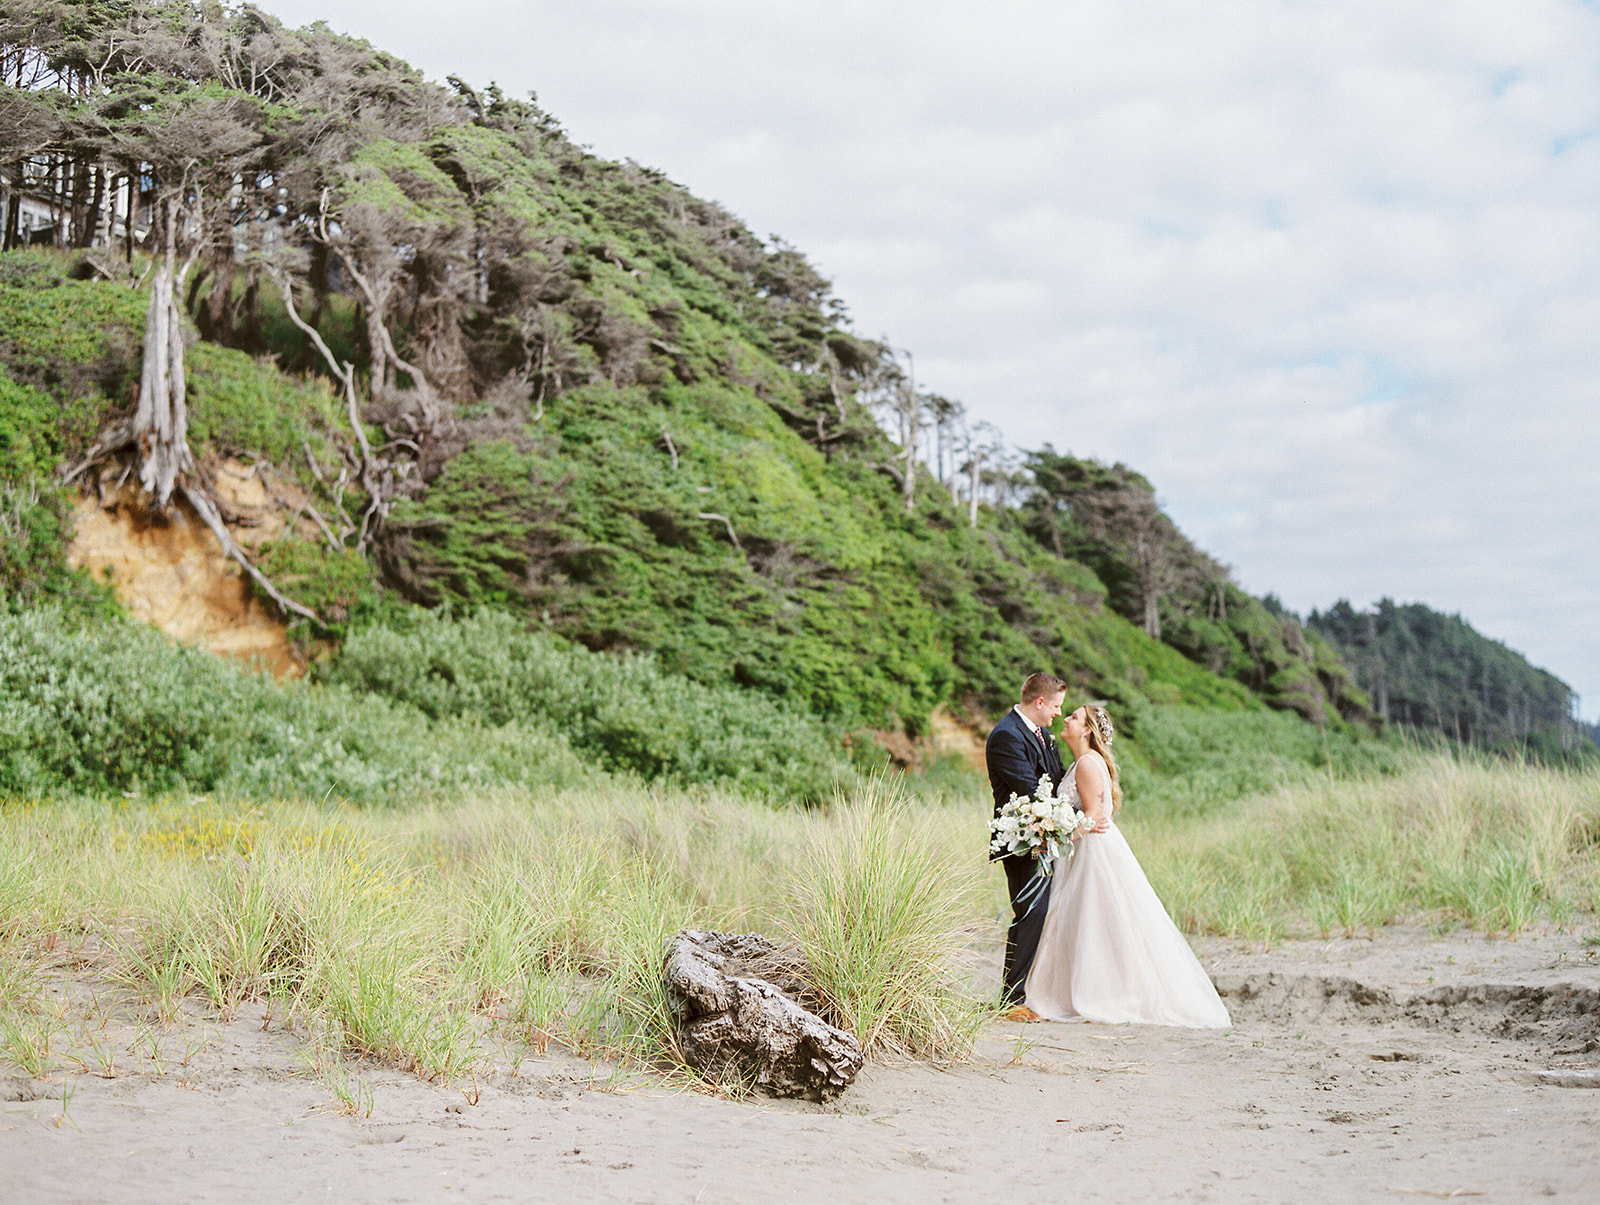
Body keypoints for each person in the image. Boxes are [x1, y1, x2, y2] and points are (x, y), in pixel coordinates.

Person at [1024, 703, 1231, 1028]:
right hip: (1084, 850)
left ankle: (1102, 994)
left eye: (1074, 717)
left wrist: (1055, 838)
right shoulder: (1081, 763)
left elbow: (1093, 813)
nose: (1067, 719)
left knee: (1095, 920)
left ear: (1087, 729)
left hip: (1091, 851)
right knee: (1089, 921)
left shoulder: (1088, 764)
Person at [986, 671, 1069, 1017]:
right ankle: (1011, 1001)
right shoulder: (1007, 735)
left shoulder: (1043, 734)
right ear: (1039, 702)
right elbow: (1029, 788)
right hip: (1021, 839)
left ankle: (1029, 992)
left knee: (1040, 913)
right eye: (1055, 706)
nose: (1058, 714)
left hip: (1044, 836)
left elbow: (1059, 777)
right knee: (1030, 913)